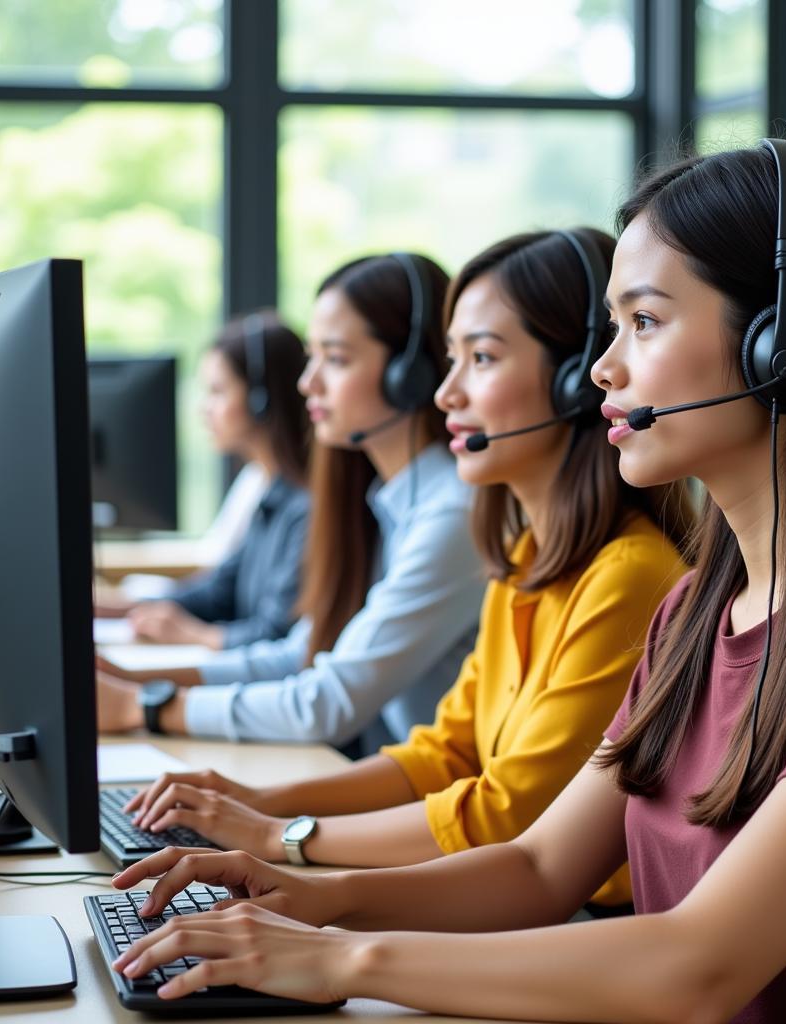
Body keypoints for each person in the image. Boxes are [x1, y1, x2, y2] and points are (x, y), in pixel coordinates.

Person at [111, 138, 786, 1022]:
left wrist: (339, 958)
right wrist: (303, 897)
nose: (604, 369)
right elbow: (538, 866)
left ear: (781, 350)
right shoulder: (695, 608)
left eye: (643, 322)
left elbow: (699, 966)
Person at [121, 231, 691, 914]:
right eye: (450, 361)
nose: (446, 394)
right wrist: (257, 805)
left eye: (480, 358)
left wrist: (283, 837)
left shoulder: (628, 575)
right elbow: (443, 754)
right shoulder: (524, 560)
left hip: (577, 919)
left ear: (574, 381)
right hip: (513, 899)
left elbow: (504, 813)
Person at [97, 253, 486, 755]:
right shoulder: (385, 502)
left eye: (337, 359)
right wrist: (132, 679)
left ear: (409, 374)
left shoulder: (450, 512)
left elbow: (327, 702)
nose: (308, 383)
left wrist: (144, 706)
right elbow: (298, 656)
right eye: (312, 357)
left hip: (420, 796)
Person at [98, 312, 312, 650]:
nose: (204, 409)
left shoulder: (305, 505)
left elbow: (277, 633)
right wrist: (120, 608)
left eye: (217, 391)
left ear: (261, 399)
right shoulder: (271, 492)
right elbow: (219, 590)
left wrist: (193, 635)